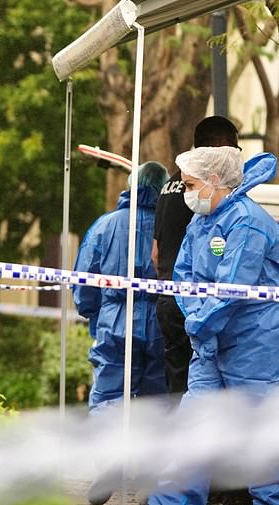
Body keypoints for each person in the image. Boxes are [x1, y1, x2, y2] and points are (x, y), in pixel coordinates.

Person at [147, 146, 279, 505]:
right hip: (208, 347)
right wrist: (196, 317)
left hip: (254, 350)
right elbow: (183, 274)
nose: (187, 193)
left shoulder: (249, 223)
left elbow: (232, 287)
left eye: (190, 184)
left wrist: (199, 321)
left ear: (214, 180)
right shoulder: (201, 221)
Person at [153, 116, 240, 398]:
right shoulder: (207, 189)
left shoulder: (171, 183)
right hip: (199, 305)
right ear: (222, 149)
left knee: (177, 385)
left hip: (169, 296)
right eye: (234, 152)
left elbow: (156, 252)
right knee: (202, 390)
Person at [74, 161, 169, 415]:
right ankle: (151, 455)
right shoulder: (170, 227)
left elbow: (84, 283)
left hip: (116, 321)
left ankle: (109, 455)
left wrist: (95, 314)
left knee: (109, 399)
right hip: (161, 323)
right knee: (156, 404)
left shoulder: (105, 226)